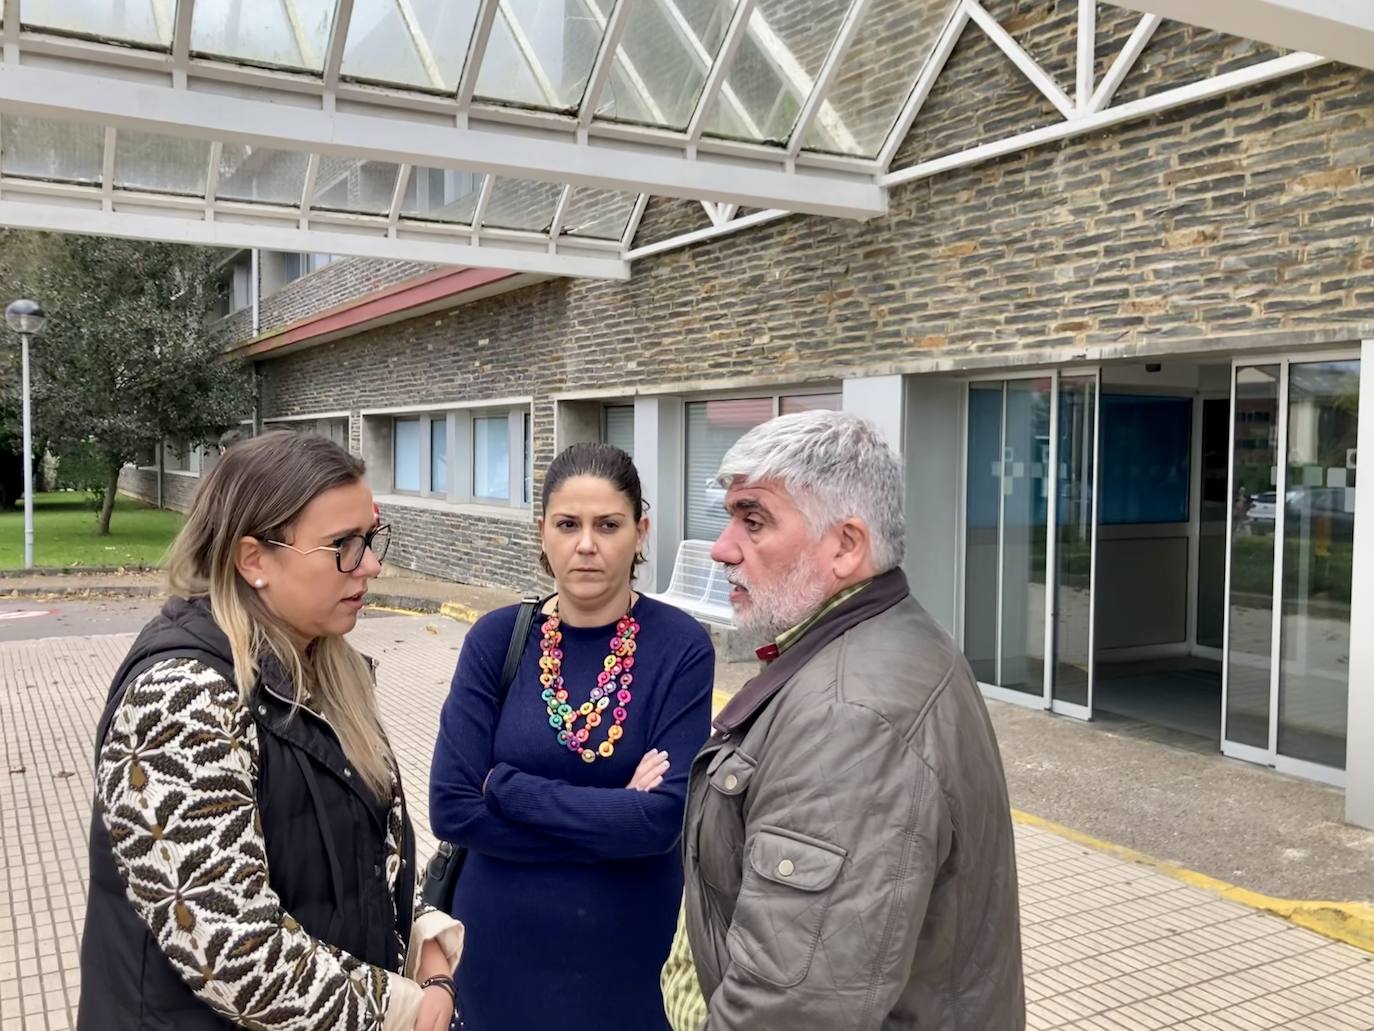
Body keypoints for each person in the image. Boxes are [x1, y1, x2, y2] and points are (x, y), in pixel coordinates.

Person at [79, 431, 462, 1031]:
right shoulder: (182, 697)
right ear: (253, 559)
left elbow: (364, 846)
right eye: (344, 545)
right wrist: (405, 1009)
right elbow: (233, 949)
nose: (372, 564)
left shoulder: (325, 667)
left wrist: (419, 928)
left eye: (371, 538)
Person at [664, 410, 1024, 1030]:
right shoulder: (882, 635)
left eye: (754, 521)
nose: (722, 548)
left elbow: (791, 1009)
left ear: (846, 546)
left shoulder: (849, 718)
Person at [430, 443, 714, 1031]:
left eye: (608, 525)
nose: (586, 544)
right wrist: (614, 817)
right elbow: (452, 808)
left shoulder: (681, 647)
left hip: (629, 954)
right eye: (568, 525)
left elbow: (661, 823)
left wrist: (509, 788)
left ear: (640, 532)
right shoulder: (496, 639)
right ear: (543, 533)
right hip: (500, 946)